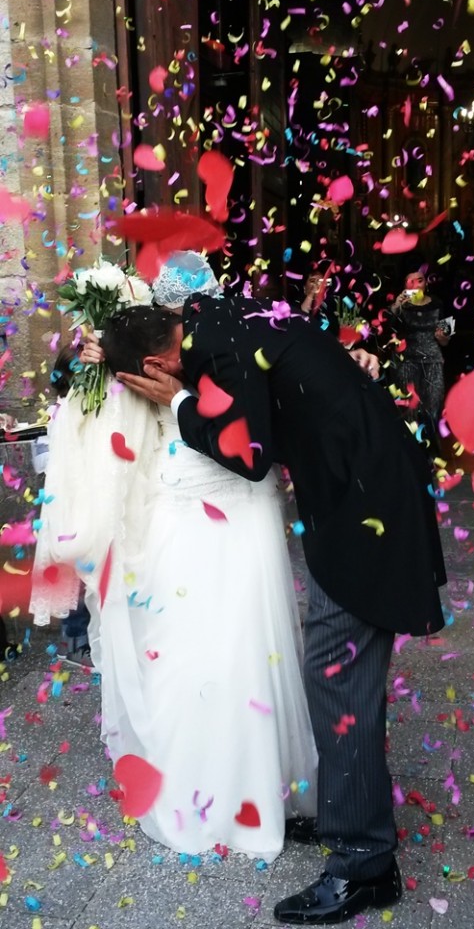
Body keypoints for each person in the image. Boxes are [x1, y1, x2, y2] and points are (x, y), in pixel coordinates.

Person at [100, 283, 447, 925]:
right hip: (359, 486)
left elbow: (249, 457)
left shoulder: (214, 351)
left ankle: (364, 864)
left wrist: (177, 401)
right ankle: (352, 823)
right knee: (336, 673)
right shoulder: (224, 313)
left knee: (335, 673)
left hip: (365, 500)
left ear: (153, 367)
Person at [30, 255, 318, 863]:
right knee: (206, 650)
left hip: (228, 510)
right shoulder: (144, 344)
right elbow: (71, 388)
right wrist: (87, 359)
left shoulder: (217, 340)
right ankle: (222, 781)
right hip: (194, 511)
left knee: (240, 647)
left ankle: (242, 783)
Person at [31, 346, 93, 670]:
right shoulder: (62, 412)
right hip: (67, 500)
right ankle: (75, 643)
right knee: (73, 572)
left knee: (84, 572)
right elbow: (42, 461)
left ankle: (83, 641)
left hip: (81, 496)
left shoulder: (76, 409)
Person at [390, 270, 451, 449]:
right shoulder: (401, 307)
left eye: (419, 280)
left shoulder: (439, 304)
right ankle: (412, 453)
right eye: (410, 282)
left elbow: (447, 340)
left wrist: (442, 336)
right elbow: (385, 328)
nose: (415, 285)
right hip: (407, 361)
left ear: (426, 284)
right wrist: (396, 306)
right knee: (410, 410)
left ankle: (432, 453)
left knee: (433, 407)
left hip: (433, 360)